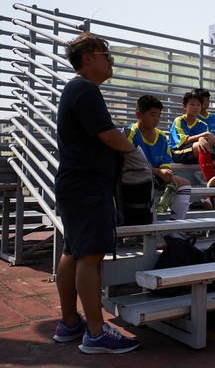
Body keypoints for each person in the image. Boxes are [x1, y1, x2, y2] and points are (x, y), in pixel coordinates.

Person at [53, 32, 140, 354]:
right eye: (105, 53)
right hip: (88, 188)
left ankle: (69, 322)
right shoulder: (84, 89)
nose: (110, 59)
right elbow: (108, 135)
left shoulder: (79, 89)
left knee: (73, 253)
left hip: (77, 187)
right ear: (88, 57)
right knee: (90, 257)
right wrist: (138, 156)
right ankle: (94, 330)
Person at [126, 95, 192, 221]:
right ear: (139, 114)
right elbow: (130, 162)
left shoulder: (161, 136)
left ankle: (175, 229)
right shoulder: (132, 133)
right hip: (137, 176)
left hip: (156, 175)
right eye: (152, 115)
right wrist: (158, 172)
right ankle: (152, 229)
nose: (156, 119)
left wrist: (166, 172)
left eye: (159, 115)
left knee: (184, 184)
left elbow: (165, 160)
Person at [169, 91, 215, 209]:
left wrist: (203, 137)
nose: (196, 107)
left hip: (199, 153)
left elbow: (206, 142)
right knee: (200, 145)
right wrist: (204, 136)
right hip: (179, 153)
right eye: (192, 104)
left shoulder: (202, 124)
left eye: (198, 104)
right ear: (184, 106)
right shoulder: (179, 121)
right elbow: (184, 141)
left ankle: (208, 196)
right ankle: (209, 180)